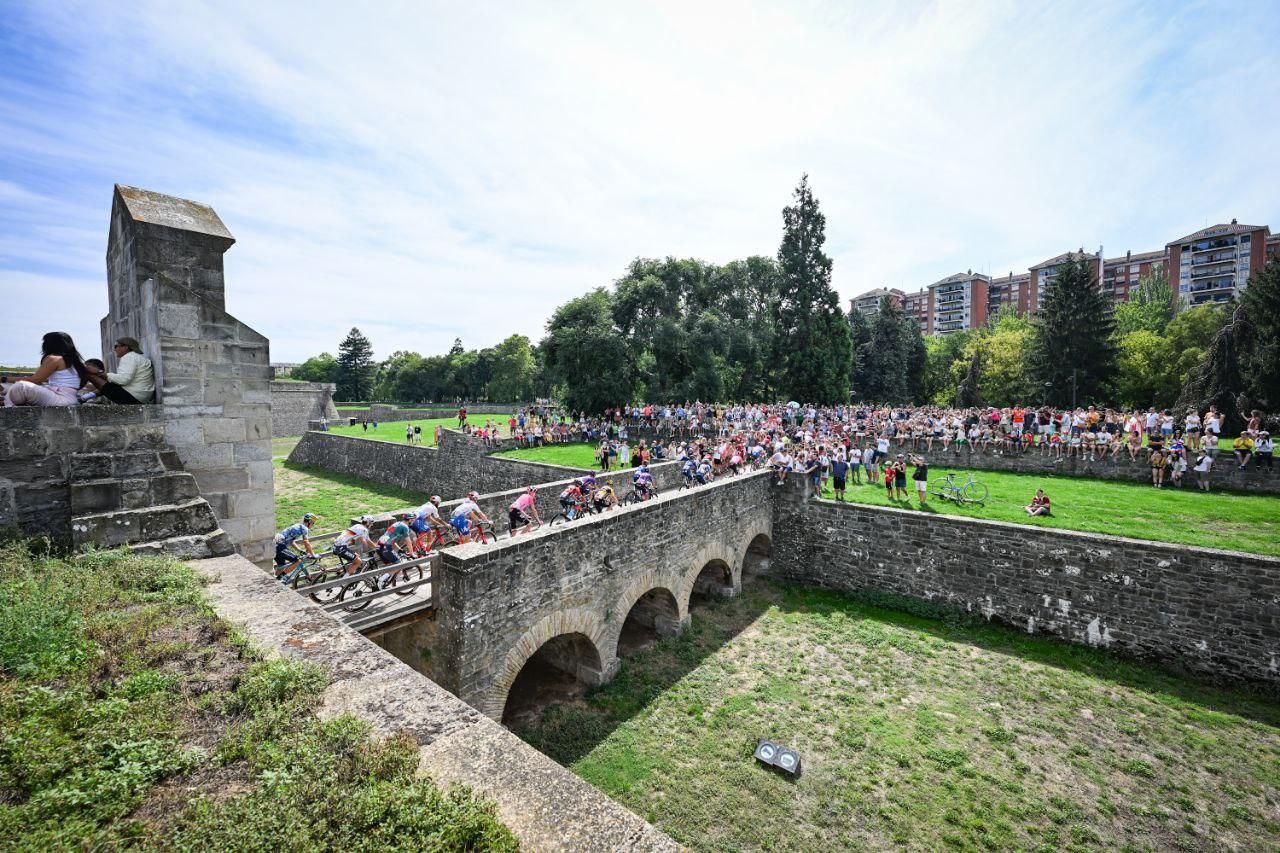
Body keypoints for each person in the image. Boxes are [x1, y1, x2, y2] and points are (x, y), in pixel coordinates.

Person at [4, 332, 89, 407]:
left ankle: (6, 402)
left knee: (21, 386)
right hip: (70, 398)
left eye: (45, 342)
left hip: (60, 399)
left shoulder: (54, 359)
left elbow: (35, 380)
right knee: (12, 388)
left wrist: (4, 379)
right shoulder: (76, 362)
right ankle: (6, 398)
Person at [81, 337, 155, 404]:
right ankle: (85, 397)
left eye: (116, 346)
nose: (114, 349)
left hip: (133, 397)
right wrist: (102, 375)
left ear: (125, 347)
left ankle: (73, 394)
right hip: (141, 396)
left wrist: (100, 372)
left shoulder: (129, 357)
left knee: (88, 374)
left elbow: (123, 380)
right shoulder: (137, 357)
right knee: (107, 383)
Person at [273, 513, 317, 578]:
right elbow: (306, 543)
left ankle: (276, 581)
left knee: (281, 566)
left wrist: (300, 551)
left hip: (274, 544)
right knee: (297, 561)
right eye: (313, 523)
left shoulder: (298, 526)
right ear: (309, 522)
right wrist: (313, 555)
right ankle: (279, 578)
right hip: (280, 545)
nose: (313, 525)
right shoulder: (305, 528)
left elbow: (292, 542)